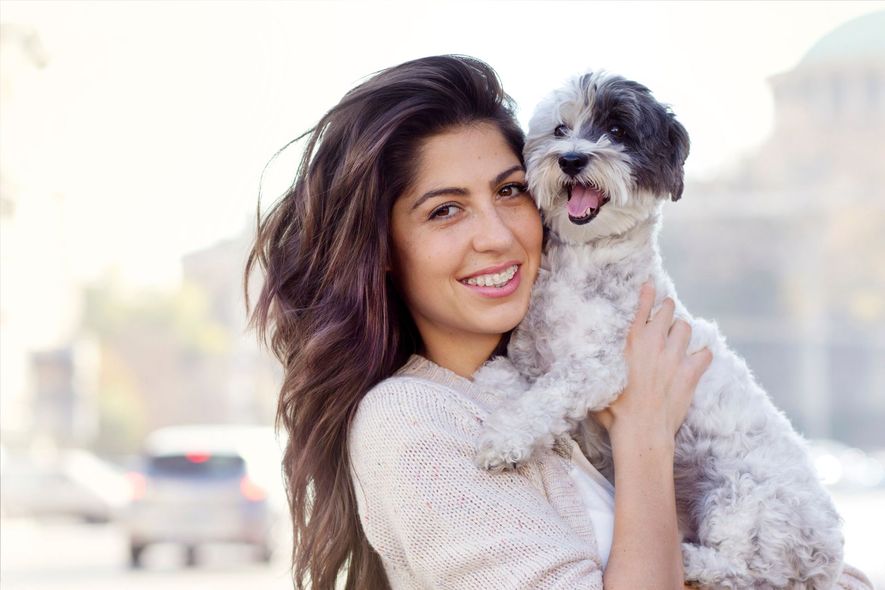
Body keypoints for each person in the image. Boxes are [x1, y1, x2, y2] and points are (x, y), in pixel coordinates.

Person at [245, 55, 872, 590]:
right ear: (381, 249)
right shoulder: (414, 425)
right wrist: (644, 433)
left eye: (510, 191)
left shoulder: (551, 377)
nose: (496, 236)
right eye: (445, 212)